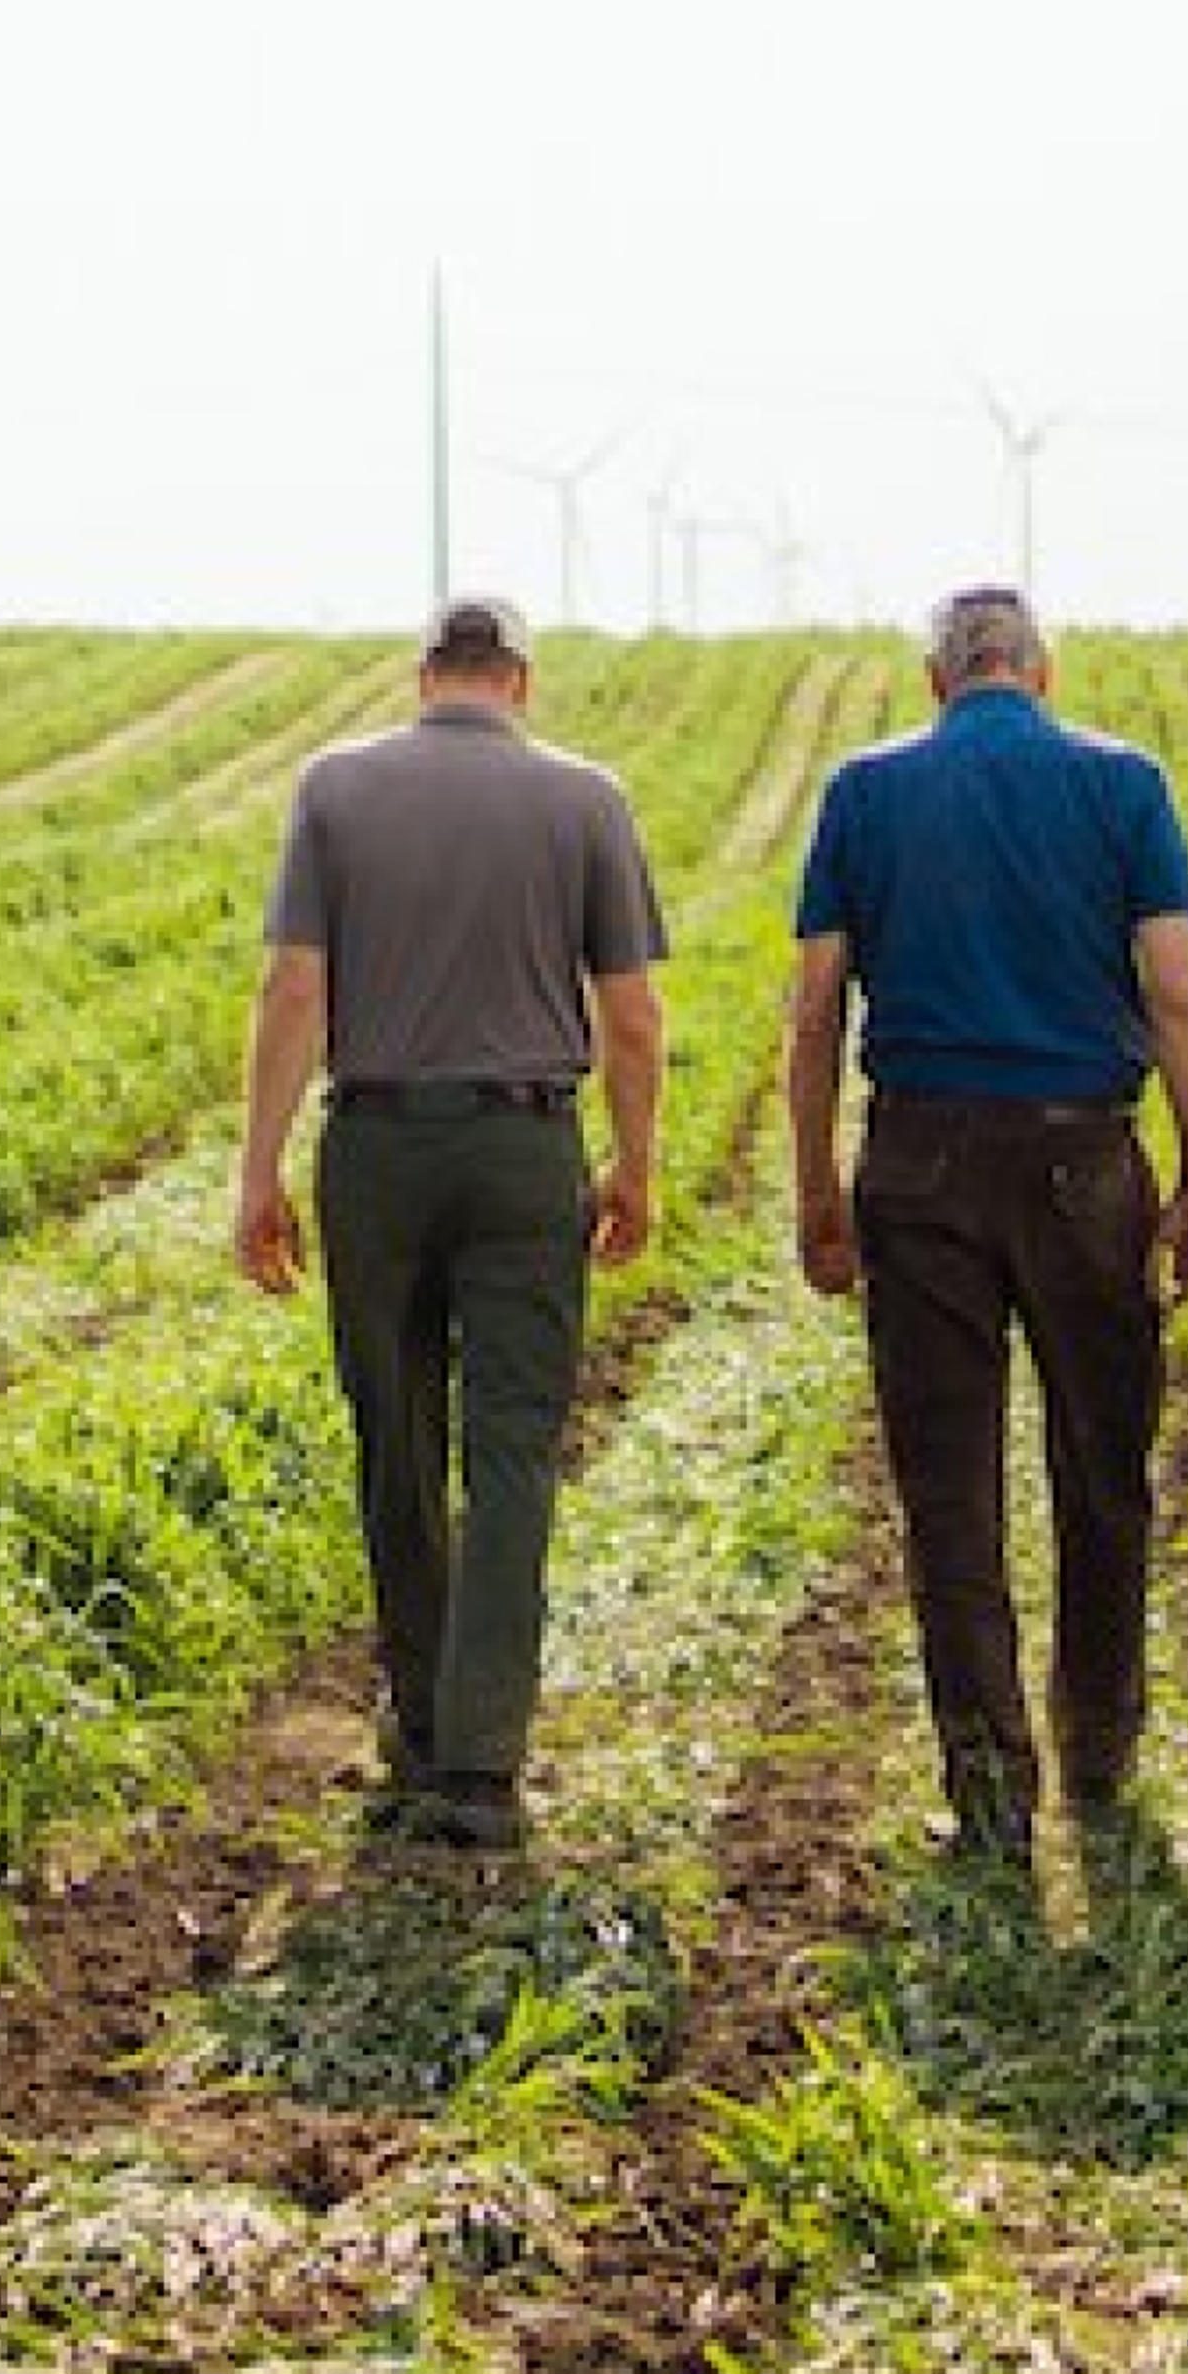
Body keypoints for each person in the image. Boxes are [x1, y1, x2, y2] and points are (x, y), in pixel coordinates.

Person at [782, 585, 1188, 1866]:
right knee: (1102, 1470)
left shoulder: (865, 792)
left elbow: (815, 1013)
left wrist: (816, 1189)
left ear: (936, 682)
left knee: (948, 1490)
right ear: (1043, 670)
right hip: (1087, 1157)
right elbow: (1177, 994)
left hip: (918, 1161)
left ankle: (987, 1788)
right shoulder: (1124, 785)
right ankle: (1098, 1756)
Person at [236, 594, 668, 1852]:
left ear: (427, 675)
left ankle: (418, 1722)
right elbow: (632, 1014)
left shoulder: (334, 788)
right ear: (519, 682)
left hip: (373, 1145)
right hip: (526, 1146)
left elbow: (294, 987)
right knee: (515, 1446)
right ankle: (483, 1762)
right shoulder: (587, 799)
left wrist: (258, 1170)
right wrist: (633, 1166)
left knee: (397, 1434)